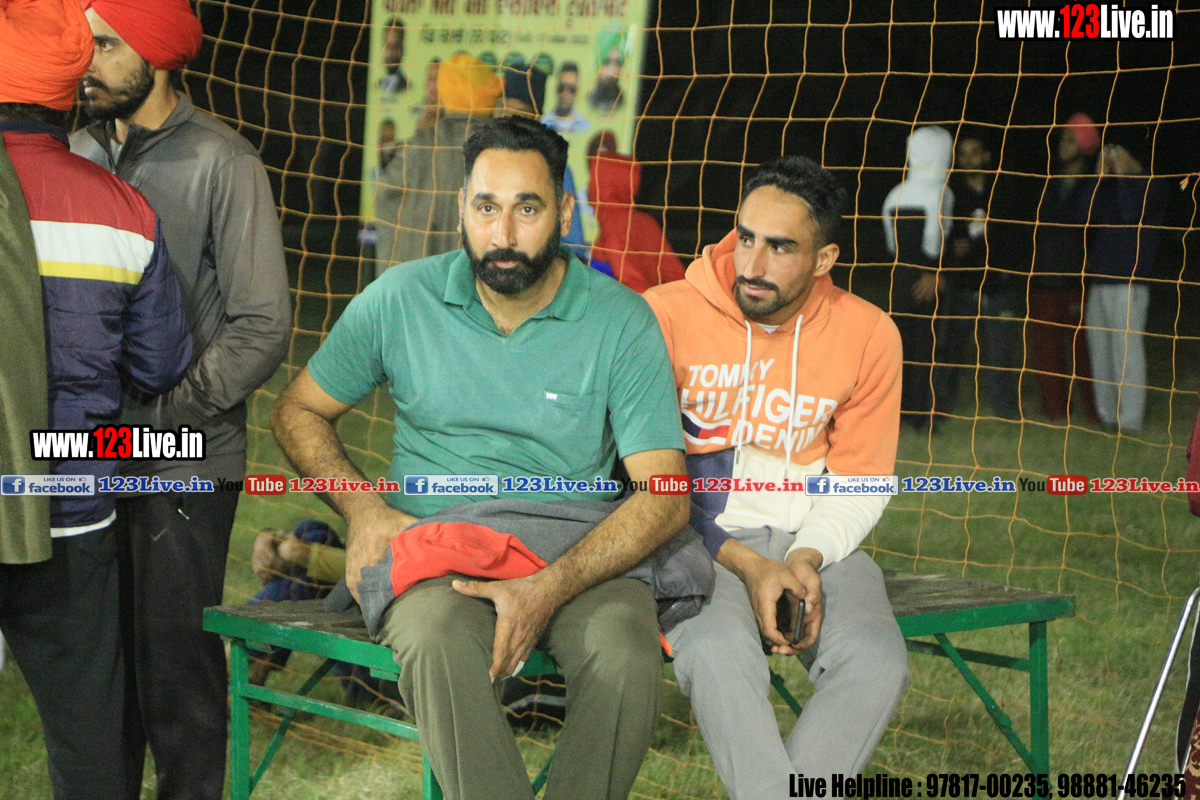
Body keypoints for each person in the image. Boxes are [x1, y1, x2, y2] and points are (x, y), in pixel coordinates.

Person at [272, 116, 691, 800]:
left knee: (624, 651)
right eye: (486, 208)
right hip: (437, 546)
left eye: (527, 209)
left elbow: (665, 494)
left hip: (575, 549)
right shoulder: (400, 298)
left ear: (563, 212)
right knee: (435, 635)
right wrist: (362, 509)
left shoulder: (620, 318)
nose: (503, 234)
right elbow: (297, 409)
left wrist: (547, 588)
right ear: (461, 206)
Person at [70, 0, 292, 795]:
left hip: (183, 460)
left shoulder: (223, 162)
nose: (87, 61)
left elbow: (262, 324)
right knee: (96, 675)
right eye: (84, 43)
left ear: (157, 54)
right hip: (83, 458)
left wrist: (166, 415)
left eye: (106, 44)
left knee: (175, 677)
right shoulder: (72, 152)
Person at [643, 155, 909, 796]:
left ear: (823, 259)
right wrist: (750, 565)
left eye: (781, 247)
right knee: (718, 656)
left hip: (813, 539)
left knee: (876, 662)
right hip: (695, 541)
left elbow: (862, 480)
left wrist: (808, 556)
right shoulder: (663, 315)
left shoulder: (869, 333)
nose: (753, 263)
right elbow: (642, 480)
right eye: (746, 237)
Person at [0, 1, 192, 795]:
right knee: (88, 737)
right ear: (66, 92)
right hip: (73, 506)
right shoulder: (122, 208)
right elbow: (159, 363)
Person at [374, 52, 501, 278]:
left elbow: (385, 195)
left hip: (420, 281)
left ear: (446, 93)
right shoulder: (504, 150)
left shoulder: (422, 145)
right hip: (480, 283)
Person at [931, 130, 1022, 420]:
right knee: (950, 349)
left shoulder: (1004, 190)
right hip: (962, 284)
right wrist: (951, 250)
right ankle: (941, 407)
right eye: (963, 154)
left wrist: (1011, 268)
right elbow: (937, 236)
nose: (969, 159)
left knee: (1000, 351)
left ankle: (1005, 409)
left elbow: (1020, 234)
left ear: (986, 156)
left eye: (974, 152)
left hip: (998, 285)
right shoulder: (949, 195)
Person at [1083, 138, 1167, 434]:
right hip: (1100, 280)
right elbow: (1083, 215)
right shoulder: (1107, 186)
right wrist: (1097, 178)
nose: (1114, 158)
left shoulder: (1152, 185)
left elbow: (1132, 213)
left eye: (1119, 152)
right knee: (1100, 350)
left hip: (1130, 283)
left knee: (1126, 353)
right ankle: (1107, 415)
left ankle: (1130, 420)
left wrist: (1123, 176)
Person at [1025, 114, 1102, 425]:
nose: (1063, 144)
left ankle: (1096, 411)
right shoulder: (1047, 182)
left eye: (1071, 139)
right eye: (1062, 138)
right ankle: (1054, 410)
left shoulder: (1096, 184)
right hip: (1044, 278)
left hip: (1078, 281)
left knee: (1086, 351)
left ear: (1085, 145)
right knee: (1046, 349)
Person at [881, 125, 954, 431]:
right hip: (926, 274)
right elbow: (935, 238)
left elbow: (891, 242)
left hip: (899, 274)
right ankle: (923, 413)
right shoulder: (940, 192)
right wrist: (933, 269)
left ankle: (899, 411)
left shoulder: (895, 193)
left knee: (901, 343)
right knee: (928, 344)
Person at [495, 62, 588, 263]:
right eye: (504, 110)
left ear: (536, 118)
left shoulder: (556, 168)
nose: (509, 121)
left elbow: (575, 249)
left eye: (519, 113)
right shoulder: (483, 163)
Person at [588, 151, 684, 292]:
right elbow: (675, 274)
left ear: (602, 185)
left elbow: (631, 280)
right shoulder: (645, 221)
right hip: (656, 299)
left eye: (592, 180)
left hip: (631, 302)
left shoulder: (615, 224)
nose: (588, 185)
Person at [541, 61, 589, 134]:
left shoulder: (584, 126)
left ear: (577, 92)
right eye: (562, 88)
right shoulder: (543, 123)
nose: (565, 94)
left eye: (572, 89)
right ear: (555, 89)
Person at [379, 18, 408, 94]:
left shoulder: (407, 87)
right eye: (388, 46)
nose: (391, 53)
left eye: (395, 47)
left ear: (402, 49)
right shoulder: (378, 85)